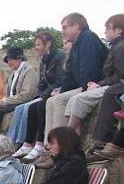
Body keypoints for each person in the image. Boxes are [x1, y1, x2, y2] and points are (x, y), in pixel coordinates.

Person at [38, 13, 108, 167]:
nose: (62, 31)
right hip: (84, 85)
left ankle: (60, 147)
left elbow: (89, 70)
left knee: (61, 100)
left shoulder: (88, 38)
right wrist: (62, 90)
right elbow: (69, 74)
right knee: (52, 100)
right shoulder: (76, 44)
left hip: (95, 84)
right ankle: (49, 148)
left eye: (65, 27)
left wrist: (82, 89)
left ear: (77, 26)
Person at [65, 14, 124, 136]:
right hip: (112, 85)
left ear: (119, 30)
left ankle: (67, 136)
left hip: (118, 88)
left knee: (79, 99)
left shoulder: (122, 49)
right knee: (74, 99)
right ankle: (74, 141)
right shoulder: (117, 47)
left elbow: (122, 76)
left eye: (108, 28)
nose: (105, 32)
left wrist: (99, 84)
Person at [8, 32, 66, 152]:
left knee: (34, 106)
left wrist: (44, 95)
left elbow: (60, 80)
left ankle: (34, 143)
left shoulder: (60, 57)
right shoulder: (44, 60)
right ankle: (17, 143)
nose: (36, 47)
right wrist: (40, 94)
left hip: (56, 92)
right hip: (47, 93)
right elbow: (42, 83)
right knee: (23, 107)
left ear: (48, 44)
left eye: (38, 44)